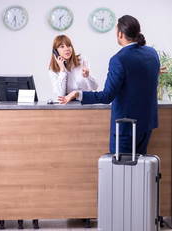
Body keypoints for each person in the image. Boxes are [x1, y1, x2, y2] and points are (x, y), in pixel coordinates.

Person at [59, 15, 160, 155]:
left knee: (121, 172)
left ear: (120, 34)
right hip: (147, 124)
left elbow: (107, 96)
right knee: (140, 170)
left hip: (126, 126)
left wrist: (78, 93)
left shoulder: (119, 59)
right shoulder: (152, 53)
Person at [49, 35, 98, 101]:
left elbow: (95, 87)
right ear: (56, 51)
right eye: (62, 47)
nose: (67, 49)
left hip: (86, 101)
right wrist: (62, 70)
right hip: (69, 104)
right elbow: (60, 94)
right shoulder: (53, 69)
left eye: (69, 45)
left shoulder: (82, 61)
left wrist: (87, 76)